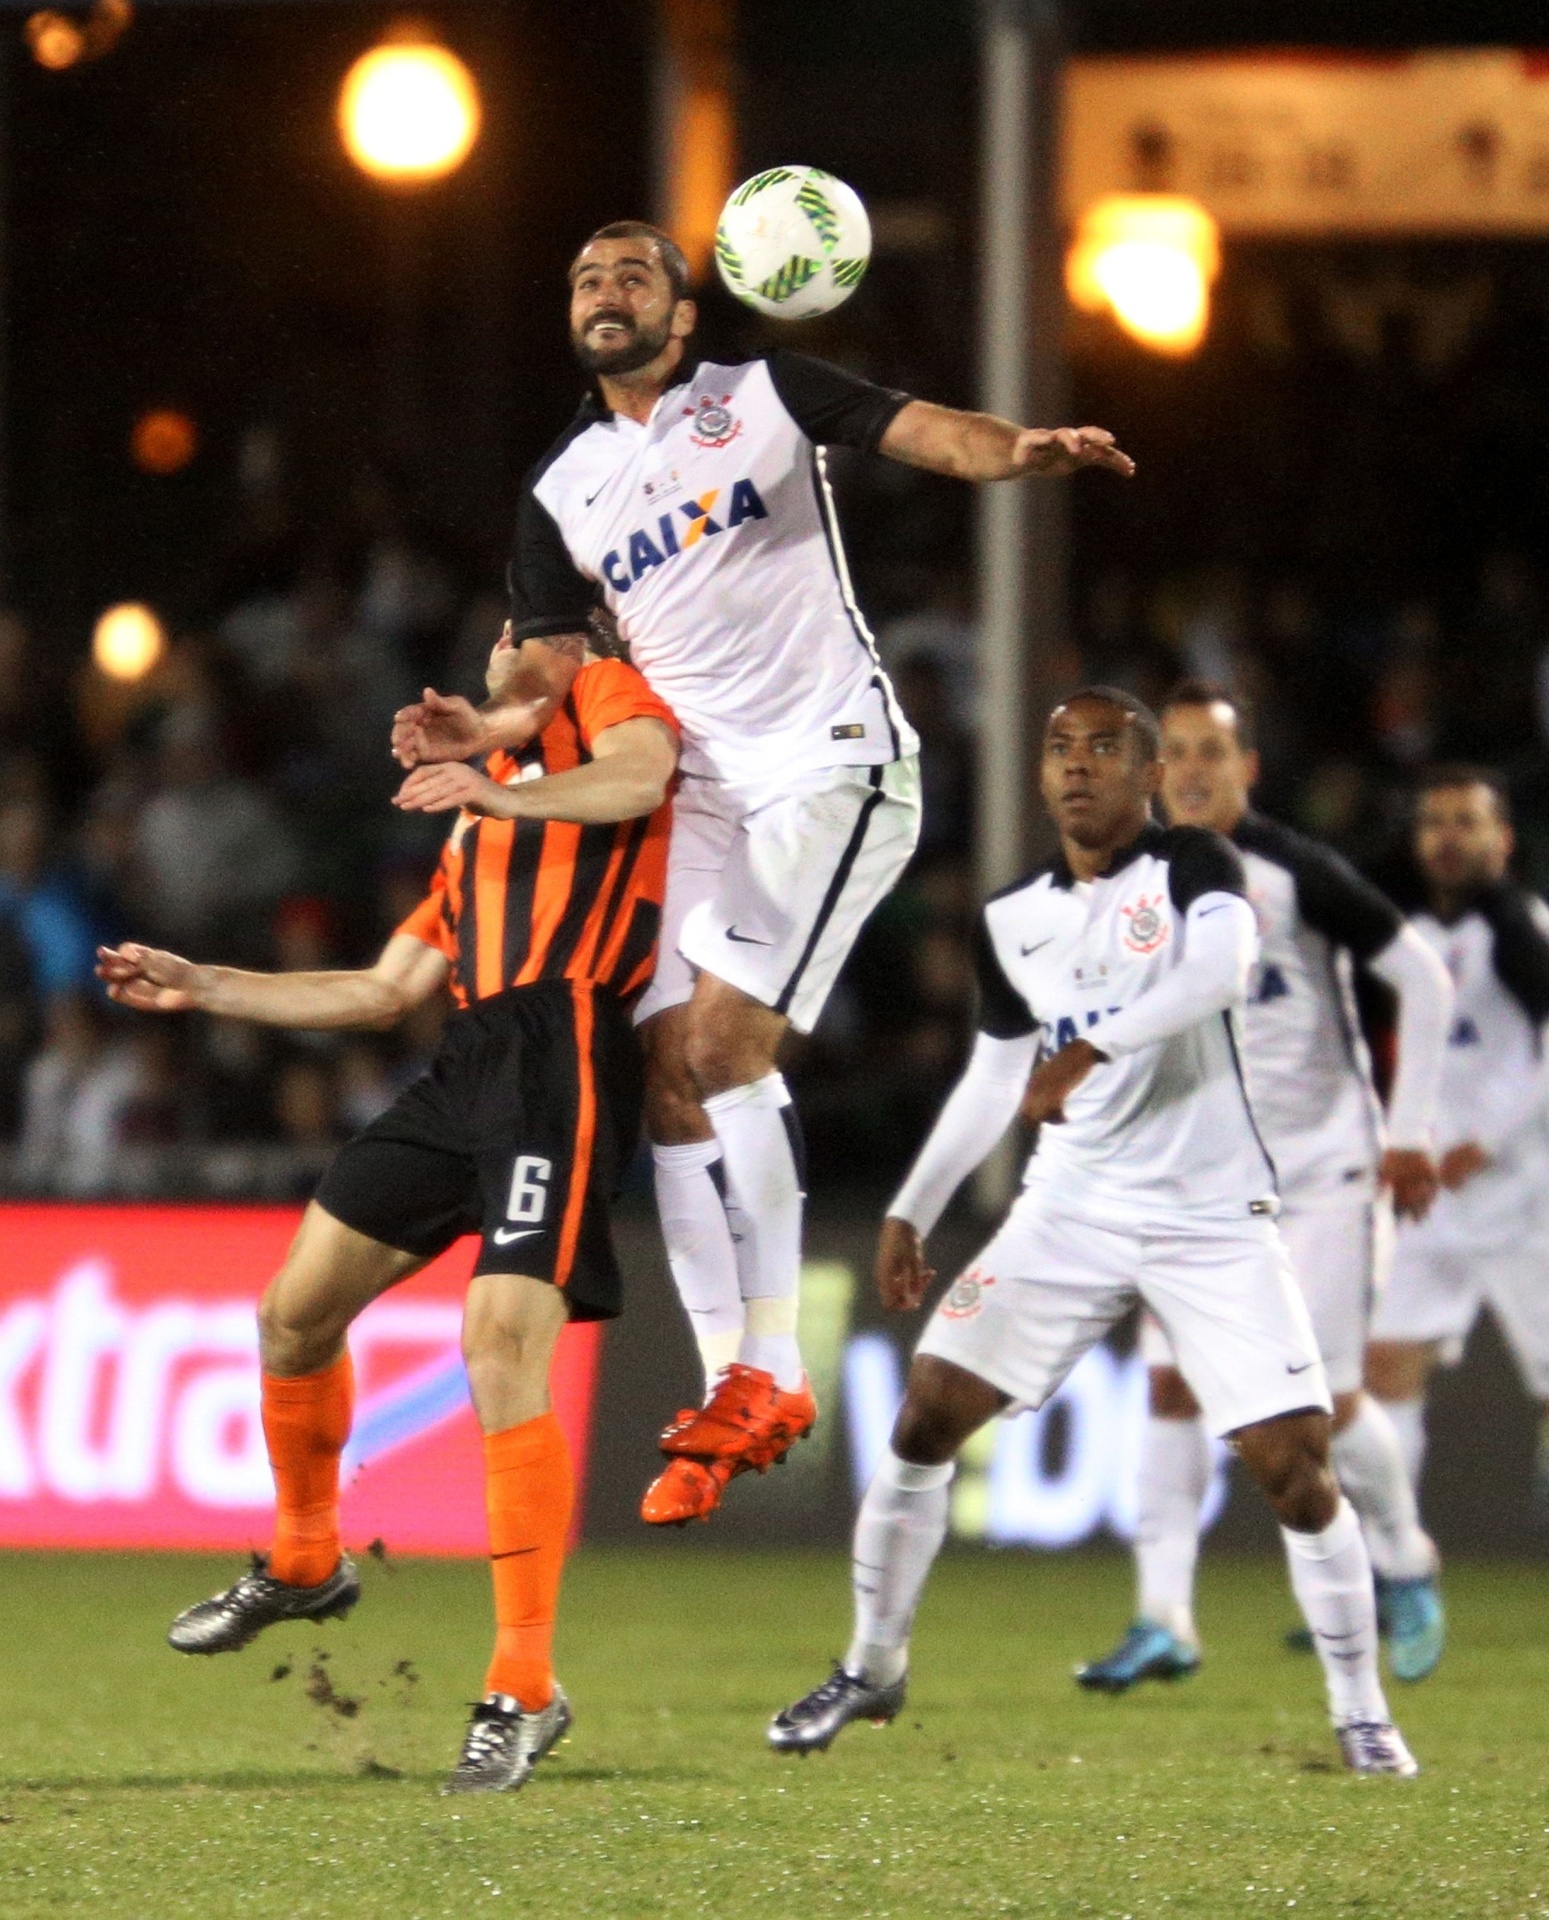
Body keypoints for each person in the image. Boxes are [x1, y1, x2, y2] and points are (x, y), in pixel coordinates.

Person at [390, 220, 1134, 1527]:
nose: (603, 291)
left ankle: (773, 1370)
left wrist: (1016, 450)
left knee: (729, 1048)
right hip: (708, 788)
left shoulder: (766, 396)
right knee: (663, 1062)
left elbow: (925, 431)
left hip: (834, 763)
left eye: (630, 275)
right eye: (583, 275)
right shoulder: (559, 483)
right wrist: (496, 729)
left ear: (681, 320)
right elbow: (554, 668)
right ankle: (730, 1376)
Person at [769, 688, 1418, 1777]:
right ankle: (873, 1665)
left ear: (1149, 772)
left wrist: (1095, 1048)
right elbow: (990, 1077)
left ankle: (1362, 1716)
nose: (1078, 765)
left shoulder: (1197, 871)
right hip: (1070, 1206)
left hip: (1208, 1215)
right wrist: (909, 1207)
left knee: (1294, 1465)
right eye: (1060, 747)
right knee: (927, 1411)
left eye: (1105, 748)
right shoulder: (1010, 919)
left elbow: (1215, 971)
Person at [97, 630, 678, 1795]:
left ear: (572, 648)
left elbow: (644, 775)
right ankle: (307, 1560)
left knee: (499, 1346)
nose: (501, 642)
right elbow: (380, 988)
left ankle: (522, 1685)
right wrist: (206, 984)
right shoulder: (481, 824)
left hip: (559, 1053)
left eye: (524, 629)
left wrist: (493, 777)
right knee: (291, 1317)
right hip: (463, 1066)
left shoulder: (607, 711)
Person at [1076, 683, 1454, 1692]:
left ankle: (1406, 1562)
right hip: (1199, 1178)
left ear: (1247, 769)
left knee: (1322, 1401)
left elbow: (1422, 977)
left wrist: (1410, 1132)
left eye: (1215, 751)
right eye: (1179, 751)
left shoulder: (1296, 874)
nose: (1196, 768)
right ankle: (1162, 1618)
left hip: (1324, 1168)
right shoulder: (1130, 884)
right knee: (1168, 1384)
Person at [1366, 767, 1549, 1521]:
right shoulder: (1403, 937)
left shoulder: (1520, 925)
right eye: (1434, 822)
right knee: (1384, 1370)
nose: (1447, 838)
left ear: (1500, 839)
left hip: (1524, 1193)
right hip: (1427, 1198)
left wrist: (1487, 1138)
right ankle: (1387, 1569)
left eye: (1465, 822)